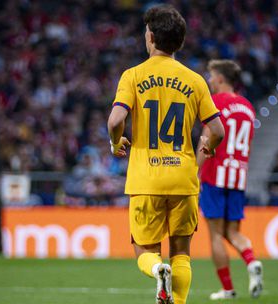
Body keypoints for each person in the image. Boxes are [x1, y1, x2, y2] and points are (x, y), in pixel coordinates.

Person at [107, 5, 225, 304]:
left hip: (146, 179)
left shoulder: (133, 76)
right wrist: (207, 150)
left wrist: (116, 141)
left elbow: (114, 121)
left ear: (150, 37)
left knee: (145, 251)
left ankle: (158, 269)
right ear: (180, 41)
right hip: (183, 178)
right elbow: (218, 130)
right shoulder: (195, 80)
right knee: (182, 253)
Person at [197, 59, 263, 300]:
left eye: (212, 76)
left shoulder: (214, 102)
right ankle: (252, 262)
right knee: (233, 232)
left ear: (221, 78)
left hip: (215, 174)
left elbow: (207, 138)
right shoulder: (247, 107)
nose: (210, 80)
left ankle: (227, 289)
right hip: (237, 176)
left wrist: (195, 171)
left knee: (215, 234)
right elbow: (250, 145)